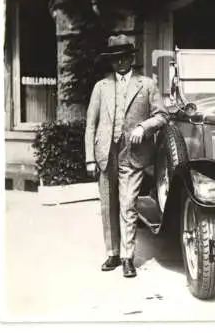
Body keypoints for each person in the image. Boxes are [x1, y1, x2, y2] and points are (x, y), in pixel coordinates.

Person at [85, 34, 169, 278]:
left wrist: (144, 127)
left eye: (124, 57)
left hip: (132, 153)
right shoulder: (100, 87)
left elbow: (162, 115)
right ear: (110, 61)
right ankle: (112, 253)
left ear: (132, 58)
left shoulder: (147, 84)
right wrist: (90, 157)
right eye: (115, 59)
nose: (120, 63)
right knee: (107, 204)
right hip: (105, 153)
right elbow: (91, 124)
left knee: (128, 204)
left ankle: (127, 257)